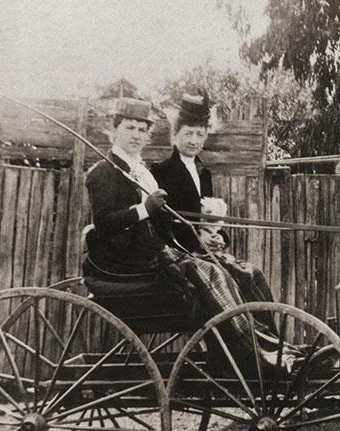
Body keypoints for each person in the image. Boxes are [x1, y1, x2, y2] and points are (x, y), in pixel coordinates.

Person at [83, 97, 279, 365]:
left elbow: (164, 225)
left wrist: (195, 239)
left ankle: (270, 344)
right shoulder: (104, 172)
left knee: (243, 271)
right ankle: (250, 353)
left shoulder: (140, 171)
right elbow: (103, 223)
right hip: (129, 260)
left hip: (157, 250)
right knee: (212, 273)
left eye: (142, 130)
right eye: (130, 128)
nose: (137, 135)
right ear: (115, 129)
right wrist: (144, 209)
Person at [150, 94, 276, 309]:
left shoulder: (204, 173)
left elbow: (208, 219)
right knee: (225, 280)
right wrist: (197, 240)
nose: (193, 140)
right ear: (175, 134)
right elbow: (163, 225)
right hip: (181, 255)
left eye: (200, 134)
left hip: (205, 253)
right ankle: (241, 338)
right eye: (188, 133)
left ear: (206, 135)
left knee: (252, 273)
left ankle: (270, 339)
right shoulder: (161, 172)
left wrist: (218, 237)